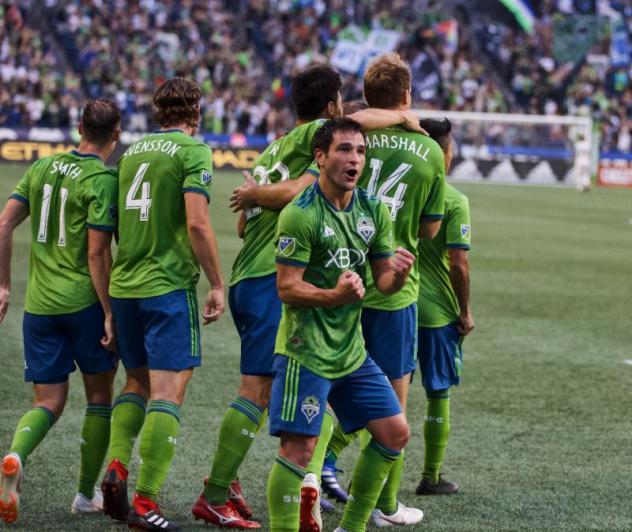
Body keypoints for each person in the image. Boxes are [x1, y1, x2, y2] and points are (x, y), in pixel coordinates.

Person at [194, 65, 424, 529]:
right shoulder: (317, 150)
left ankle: (288, 486)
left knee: (279, 394)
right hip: (270, 277)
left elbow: (242, 220)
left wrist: (259, 193)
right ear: (332, 108)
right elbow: (358, 129)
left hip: (246, 275)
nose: (355, 154)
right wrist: (401, 117)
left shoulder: (275, 150)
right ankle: (223, 491)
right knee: (263, 392)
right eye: (345, 144)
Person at [266, 116, 416, 532]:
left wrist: (399, 274)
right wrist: (335, 295)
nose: (355, 159)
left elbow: (384, 282)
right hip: (305, 352)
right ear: (320, 157)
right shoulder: (300, 214)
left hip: (351, 354)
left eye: (361, 151)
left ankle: (351, 527)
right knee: (299, 451)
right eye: (345, 150)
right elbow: (286, 287)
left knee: (393, 432)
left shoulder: (372, 210)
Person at [321, 53, 445, 527]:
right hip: (394, 292)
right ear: (407, 96)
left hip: (341, 278)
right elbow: (431, 230)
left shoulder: (349, 135)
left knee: (329, 388)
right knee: (392, 403)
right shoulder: (429, 149)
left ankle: (312, 481)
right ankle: (384, 505)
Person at [100, 78, 224, 531]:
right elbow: (197, 223)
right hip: (166, 286)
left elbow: (110, 223)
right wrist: (216, 283)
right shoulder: (194, 151)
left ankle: (115, 467)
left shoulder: (127, 152)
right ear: (196, 110)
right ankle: (146, 498)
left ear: (156, 110)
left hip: (125, 285)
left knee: (134, 382)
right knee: (169, 389)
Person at [0, 99, 121, 523]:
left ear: (78, 127)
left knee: (48, 400)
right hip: (83, 304)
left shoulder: (41, 168)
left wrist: (3, 285)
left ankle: (15, 454)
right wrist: (108, 312)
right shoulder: (102, 179)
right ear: (117, 134)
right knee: (100, 398)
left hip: (39, 306)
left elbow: (3, 224)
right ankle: (86, 494)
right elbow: (96, 255)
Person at [416, 118, 474, 495]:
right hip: (436, 312)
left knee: (382, 392)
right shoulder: (453, 200)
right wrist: (465, 311)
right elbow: (459, 264)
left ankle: (333, 467)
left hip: (391, 303)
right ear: (446, 154)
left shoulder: (398, 193)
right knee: (438, 393)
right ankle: (431, 476)